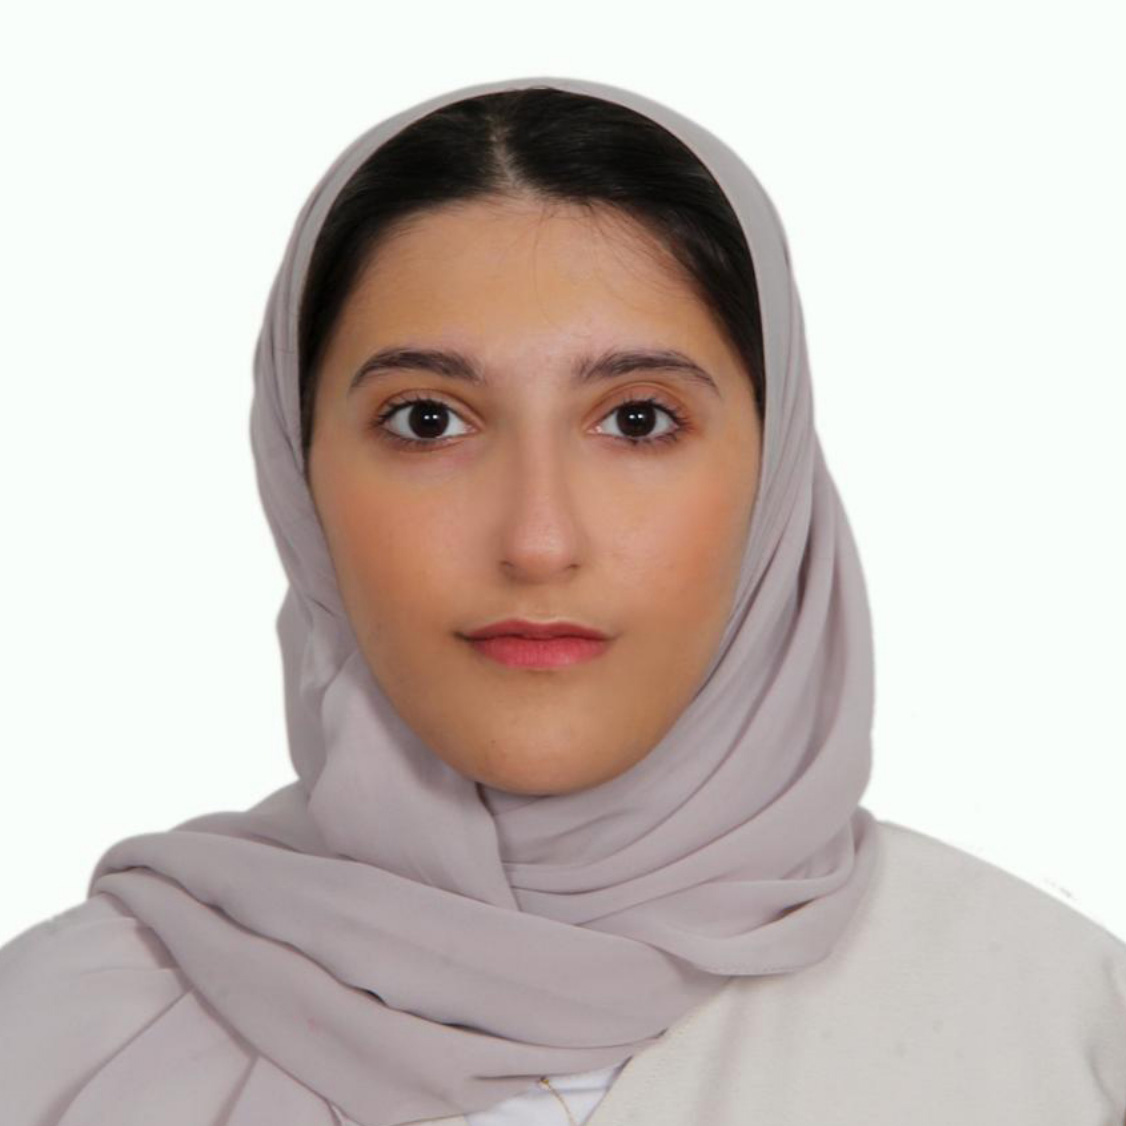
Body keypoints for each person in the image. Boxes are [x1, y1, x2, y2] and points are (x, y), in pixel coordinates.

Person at [1, 74, 1124, 1126]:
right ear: (300, 477)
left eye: (638, 420)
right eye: (428, 420)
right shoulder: (55, 1042)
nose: (538, 541)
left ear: (775, 474)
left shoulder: (1054, 1036)